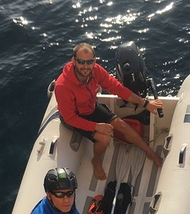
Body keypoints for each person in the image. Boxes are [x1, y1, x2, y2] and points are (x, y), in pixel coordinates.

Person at [54, 42, 165, 180]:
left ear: (94, 61)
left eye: (90, 62)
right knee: (103, 137)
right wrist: (96, 126)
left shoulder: (96, 71)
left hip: (90, 108)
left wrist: (145, 103)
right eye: (81, 62)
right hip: (74, 118)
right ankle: (96, 160)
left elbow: (117, 88)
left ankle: (150, 153)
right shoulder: (63, 86)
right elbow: (69, 117)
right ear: (74, 61)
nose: (86, 66)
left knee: (122, 125)